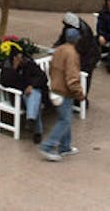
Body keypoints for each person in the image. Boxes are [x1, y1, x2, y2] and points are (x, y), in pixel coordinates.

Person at [38, 27, 85, 161]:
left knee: (65, 118)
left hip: (55, 89)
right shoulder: (72, 54)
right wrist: (79, 93)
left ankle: (65, 147)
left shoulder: (59, 49)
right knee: (65, 121)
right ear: (77, 40)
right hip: (63, 92)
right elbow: (72, 77)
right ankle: (47, 146)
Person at [0, 45, 50, 143]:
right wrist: (14, 68)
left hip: (35, 90)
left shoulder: (29, 63)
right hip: (19, 95)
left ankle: (31, 119)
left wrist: (32, 85)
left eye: (21, 57)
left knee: (34, 96)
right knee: (35, 102)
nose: (20, 59)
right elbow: (5, 82)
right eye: (17, 57)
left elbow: (43, 77)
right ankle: (35, 129)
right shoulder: (7, 67)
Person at [55, 11, 99, 98]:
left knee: (85, 78)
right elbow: (62, 38)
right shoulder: (70, 27)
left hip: (89, 58)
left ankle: (82, 99)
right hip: (81, 56)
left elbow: (80, 49)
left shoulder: (84, 33)